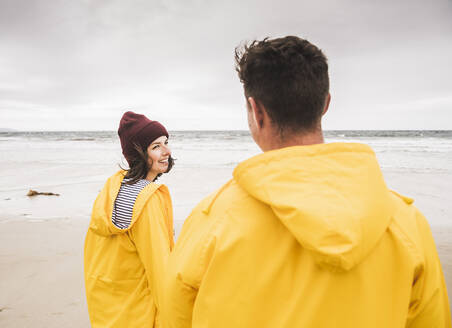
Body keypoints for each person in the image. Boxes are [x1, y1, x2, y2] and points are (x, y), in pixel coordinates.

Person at [163, 36, 451, 327]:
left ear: (256, 111)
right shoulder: (407, 224)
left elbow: (175, 315)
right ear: (325, 104)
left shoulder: (211, 222)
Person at [84, 111, 174, 327]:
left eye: (166, 142)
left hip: (110, 310)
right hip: (141, 314)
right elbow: (160, 269)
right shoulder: (147, 200)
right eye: (156, 147)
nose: (167, 151)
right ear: (138, 154)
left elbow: (94, 260)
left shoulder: (113, 188)